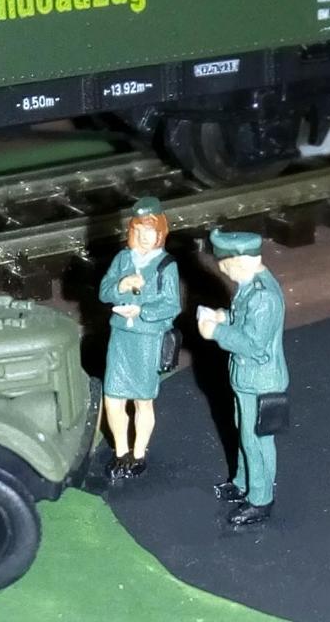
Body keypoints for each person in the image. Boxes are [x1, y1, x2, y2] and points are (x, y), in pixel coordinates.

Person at [198, 229, 288, 526]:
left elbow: (253, 344)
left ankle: (260, 499)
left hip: (260, 381)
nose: (224, 272)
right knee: (244, 434)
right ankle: (242, 482)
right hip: (248, 378)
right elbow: (246, 322)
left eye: (227, 266)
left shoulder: (263, 297)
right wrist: (224, 317)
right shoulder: (251, 286)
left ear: (243, 261)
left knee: (257, 441)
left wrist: (216, 331)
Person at [99, 197, 181, 479]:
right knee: (113, 398)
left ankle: (138, 454)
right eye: (140, 231)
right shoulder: (123, 259)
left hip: (147, 339)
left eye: (151, 232)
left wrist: (142, 311)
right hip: (121, 337)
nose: (145, 237)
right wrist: (121, 285)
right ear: (132, 231)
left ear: (160, 233)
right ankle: (121, 452)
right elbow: (104, 292)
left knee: (143, 401)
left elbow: (172, 305)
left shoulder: (166, 265)